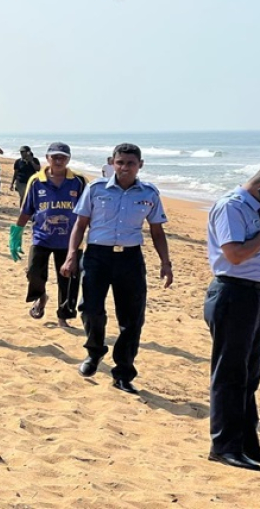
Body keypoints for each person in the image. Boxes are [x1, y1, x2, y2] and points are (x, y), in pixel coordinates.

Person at [61, 143, 173, 395]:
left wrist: (165, 263)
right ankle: (94, 352)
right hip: (96, 257)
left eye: (130, 163)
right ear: (112, 162)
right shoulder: (95, 189)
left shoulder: (149, 193)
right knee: (89, 310)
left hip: (130, 260)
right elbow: (80, 225)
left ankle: (123, 372)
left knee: (132, 320)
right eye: (120, 162)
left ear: (140, 165)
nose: (124, 167)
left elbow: (157, 231)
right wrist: (71, 256)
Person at [202, 155, 260, 471]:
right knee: (229, 374)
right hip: (233, 293)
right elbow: (234, 254)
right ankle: (223, 446)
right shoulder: (231, 207)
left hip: (252, 296)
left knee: (249, 375)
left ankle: (247, 443)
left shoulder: (255, 209)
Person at [9, 143, 88, 328]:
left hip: (70, 241)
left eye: (63, 157)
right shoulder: (36, 181)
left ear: (68, 159)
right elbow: (27, 209)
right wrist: (16, 233)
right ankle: (41, 296)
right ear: (47, 158)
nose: (58, 161)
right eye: (55, 157)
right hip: (41, 237)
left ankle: (63, 317)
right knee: (34, 272)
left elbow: (88, 211)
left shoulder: (79, 181)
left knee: (68, 280)